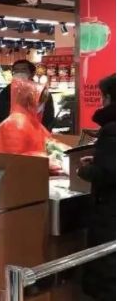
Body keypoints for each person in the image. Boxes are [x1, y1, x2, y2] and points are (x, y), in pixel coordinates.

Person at [77, 74, 115, 301]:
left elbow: (107, 173)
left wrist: (84, 171)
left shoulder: (111, 129)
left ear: (109, 97)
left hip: (110, 213)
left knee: (107, 273)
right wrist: (99, 160)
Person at [0, 59, 54, 141]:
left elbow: (48, 118)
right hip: (10, 137)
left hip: (34, 138)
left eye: (23, 70)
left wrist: (45, 139)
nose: (19, 73)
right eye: (16, 71)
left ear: (32, 73)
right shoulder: (7, 91)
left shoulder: (41, 92)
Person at [0, 78, 51, 158]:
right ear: (31, 101)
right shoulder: (15, 123)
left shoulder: (29, 120)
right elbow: (16, 157)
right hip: (22, 165)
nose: (42, 106)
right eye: (41, 102)